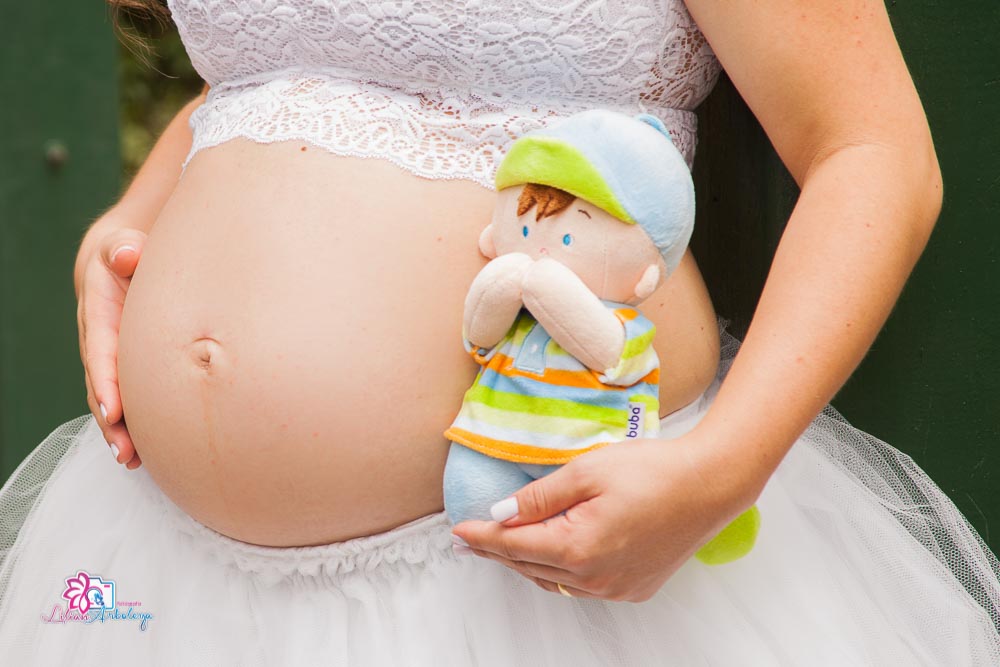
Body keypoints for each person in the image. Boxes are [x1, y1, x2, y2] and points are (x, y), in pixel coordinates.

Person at [0, 0, 998, 664]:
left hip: (533, 576)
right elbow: (279, 62)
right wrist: (132, 219)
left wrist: (724, 468)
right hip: (168, 569)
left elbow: (870, 148)